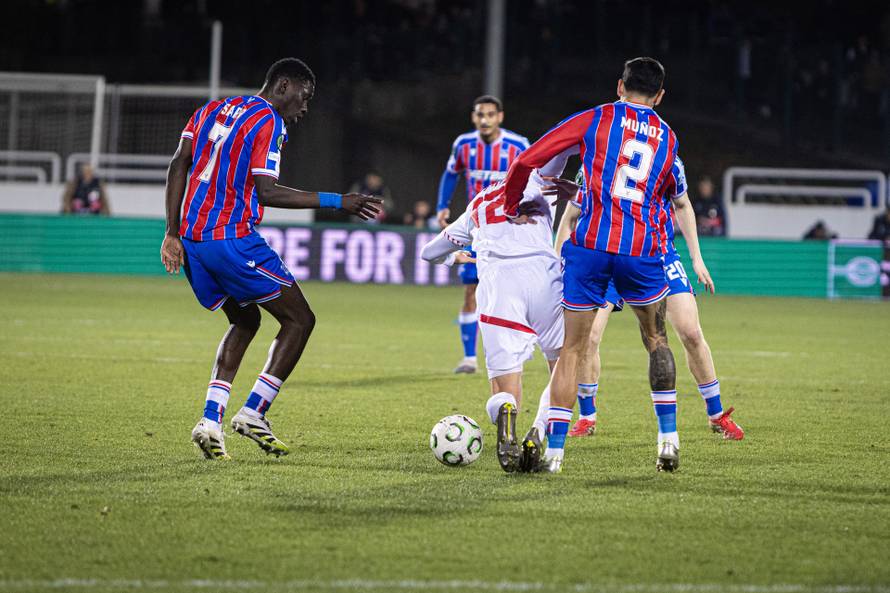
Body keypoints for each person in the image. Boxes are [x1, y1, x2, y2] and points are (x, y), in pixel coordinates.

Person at [160, 58, 381, 461]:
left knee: (245, 320)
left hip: (192, 240)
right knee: (300, 320)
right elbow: (267, 192)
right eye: (305, 96)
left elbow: (179, 163)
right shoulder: (268, 121)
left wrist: (171, 232)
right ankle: (254, 413)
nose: (305, 107)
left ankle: (211, 420)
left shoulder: (211, 109)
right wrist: (339, 201)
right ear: (283, 85)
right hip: (232, 238)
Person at [502, 57, 685, 473]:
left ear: (619, 86)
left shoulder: (597, 118)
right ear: (659, 96)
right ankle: (668, 441)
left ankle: (554, 456)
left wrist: (513, 205)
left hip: (590, 248)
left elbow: (527, 159)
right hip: (640, 250)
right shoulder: (669, 138)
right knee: (657, 341)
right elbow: (662, 191)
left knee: (572, 349)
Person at [554, 168, 744, 442]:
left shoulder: (664, 156)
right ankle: (587, 416)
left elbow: (682, 203)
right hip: (605, 254)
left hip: (658, 253)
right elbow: (570, 216)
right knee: (589, 337)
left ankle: (716, 414)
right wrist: (558, 260)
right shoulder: (595, 157)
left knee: (690, 332)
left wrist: (696, 258)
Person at [421, 153, 573, 473]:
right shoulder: (537, 181)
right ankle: (540, 430)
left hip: (499, 289)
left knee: (505, 389)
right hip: (544, 279)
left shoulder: (476, 205)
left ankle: (507, 418)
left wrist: (454, 259)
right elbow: (561, 148)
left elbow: (429, 252)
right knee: (563, 365)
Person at [436, 95, 529, 375]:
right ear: (474, 118)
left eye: (490, 114)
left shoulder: (518, 145)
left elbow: (534, 176)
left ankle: (516, 350)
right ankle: (469, 358)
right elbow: (450, 174)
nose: (485, 120)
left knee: (514, 293)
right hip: (476, 229)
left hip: (510, 230)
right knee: (470, 292)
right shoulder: (464, 144)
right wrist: (443, 205)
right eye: (480, 115)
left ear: (500, 116)